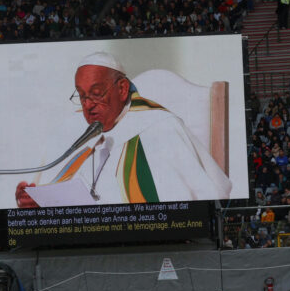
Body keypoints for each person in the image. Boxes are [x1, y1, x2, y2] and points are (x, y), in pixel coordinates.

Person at [15, 53, 231, 207]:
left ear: (122, 89)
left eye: (97, 93)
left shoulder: (160, 126)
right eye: (82, 96)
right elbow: (52, 192)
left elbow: (209, 196)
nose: (88, 104)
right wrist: (34, 202)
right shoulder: (71, 130)